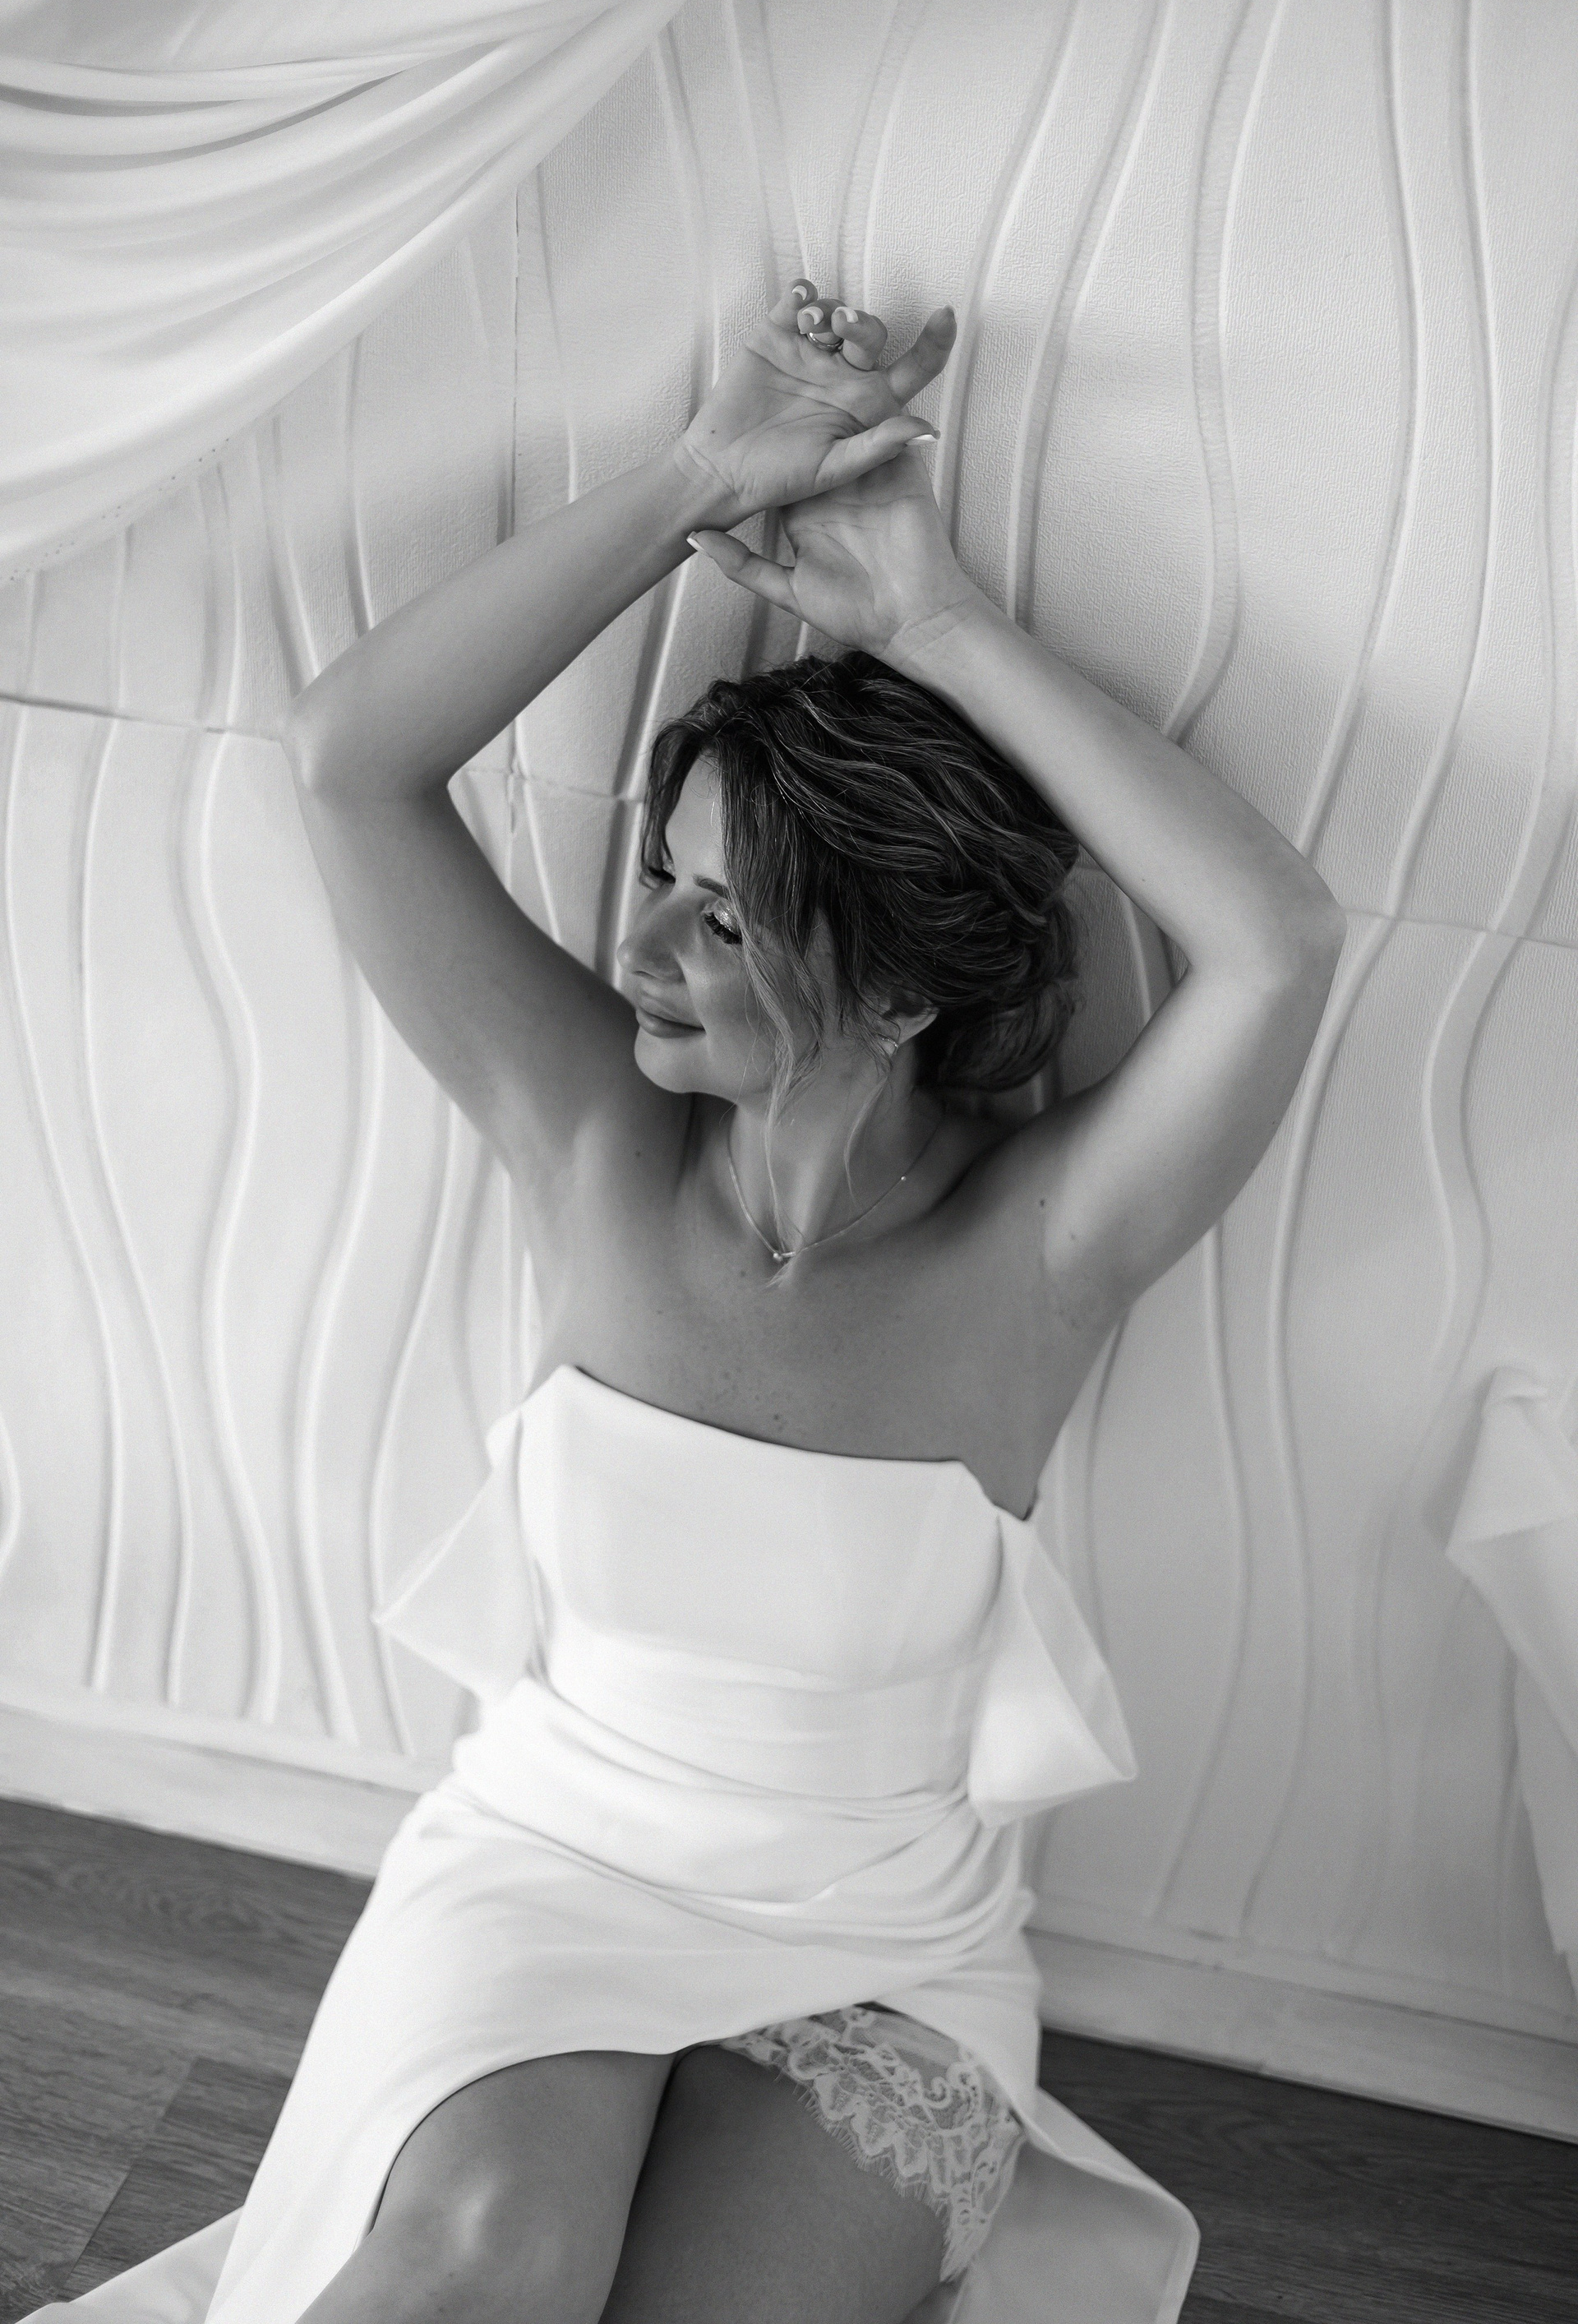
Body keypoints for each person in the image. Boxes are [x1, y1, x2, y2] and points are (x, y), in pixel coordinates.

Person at [32, 279, 1343, 2324]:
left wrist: (936, 621)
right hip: (547, 1871)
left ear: (892, 997)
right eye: (666, 869)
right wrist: (702, 479)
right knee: (478, 2270)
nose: (639, 946)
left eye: (723, 919)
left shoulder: (1042, 1248)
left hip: (883, 1948)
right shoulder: (593, 1138)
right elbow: (349, 759)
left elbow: (1277, 941)